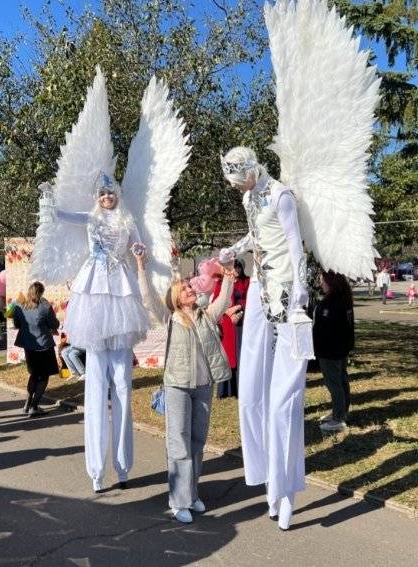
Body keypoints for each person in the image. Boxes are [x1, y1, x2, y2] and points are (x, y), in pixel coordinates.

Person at [218, 146, 309, 531]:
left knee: (282, 401)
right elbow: (256, 236)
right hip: (259, 287)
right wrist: (233, 250)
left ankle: (285, 490)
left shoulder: (281, 195)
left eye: (241, 177)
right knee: (252, 389)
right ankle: (267, 477)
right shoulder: (248, 197)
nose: (240, 185)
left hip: (287, 290)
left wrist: (302, 291)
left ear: (253, 168)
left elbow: (295, 245)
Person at [53, 173, 151, 493]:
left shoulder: (126, 220)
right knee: (95, 389)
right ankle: (96, 470)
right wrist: (47, 197)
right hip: (95, 300)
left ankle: (123, 466)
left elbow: (140, 246)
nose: (107, 197)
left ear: (117, 195)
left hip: (120, 300)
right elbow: (60, 214)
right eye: (102, 194)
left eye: (111, 193)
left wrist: (139, 252)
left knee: (122, 385)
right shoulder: (90, 218)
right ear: (97, 197)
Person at [136, 251, 234, 524]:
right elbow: (148, 298)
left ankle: (191, 494)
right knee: (178, 443)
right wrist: (141, 267)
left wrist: (227, 275)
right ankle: (178, 501)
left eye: (191, 287)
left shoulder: (205, 315)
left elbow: (224, 300)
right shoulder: (169, 319)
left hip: (203, 387)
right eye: (186, 289)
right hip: (177, 387)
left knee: (197, 442)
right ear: (176, 298)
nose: (191, 289)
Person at [314, 272, 355, 433]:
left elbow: (325, 329)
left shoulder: (331, 303)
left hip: (330, 349)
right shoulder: (343, 299)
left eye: (322, 281)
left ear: (330, 283)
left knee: (335, 383)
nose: (321, 284)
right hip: (341, 348)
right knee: (341, 380)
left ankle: (338, 418)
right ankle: (341, 412)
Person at [12, 281, 60, 415]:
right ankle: (34, 406)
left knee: (34, 375)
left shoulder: (19, 305)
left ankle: (26, 406)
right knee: (43, 377)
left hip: (28, 345)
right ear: (41, 292)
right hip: (44, 345)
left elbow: (16, 323)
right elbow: (54, 323)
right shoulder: (45, 306)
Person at [215, 259, 249, 399]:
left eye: (238, 267)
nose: (236, 270)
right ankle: (226, 390)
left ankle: (241, 389)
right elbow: (216, 302)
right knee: (227, 356)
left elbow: (252, 299)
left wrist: (239, 309)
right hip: (227, 324)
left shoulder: (247, 281)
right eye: (233, 267)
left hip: (242, 323)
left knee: (241, 354)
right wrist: (228, 311)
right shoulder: (220, 283)